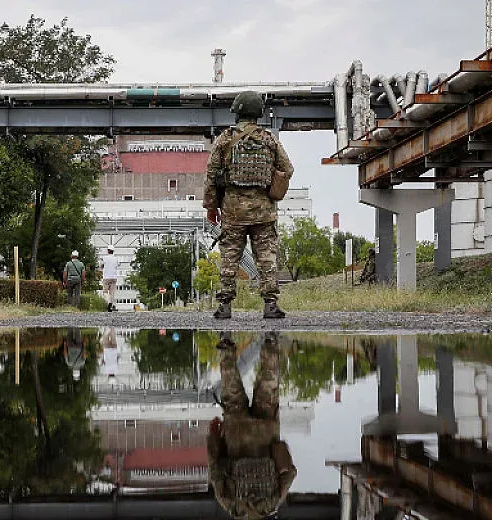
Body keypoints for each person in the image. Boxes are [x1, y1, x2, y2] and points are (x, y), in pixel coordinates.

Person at [204, 91, 294, 320]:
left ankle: (225, 306)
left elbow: (212, 175)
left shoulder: (225, 139)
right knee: (266, 257)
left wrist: (211, 207)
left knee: (229, 257)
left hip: (233, 210)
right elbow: (287, 168)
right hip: (264, 210)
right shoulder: (268, 139)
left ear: (237, 112)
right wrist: (273, 189)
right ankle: (270, 305)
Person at [209, 331, 296, 519]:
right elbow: (215, 470)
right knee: (231, 391)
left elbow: (290, 474)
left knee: (268, 386)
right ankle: (225, 343)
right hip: (236, 434)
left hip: (266, 432)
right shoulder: (232, 506)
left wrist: (280, 454)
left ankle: (270, 341)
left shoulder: (272, 504)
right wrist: (214, 438)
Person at [100, 246, 119, 312]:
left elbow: (101, 266)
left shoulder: (104, 258)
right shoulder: (116, 258)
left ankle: (109, 302)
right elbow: (117, 266)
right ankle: (111, 304)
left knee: (105, 292)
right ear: (113, 251)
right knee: (112, 292)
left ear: (108, 251)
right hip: (113, 277)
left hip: (106, 277)